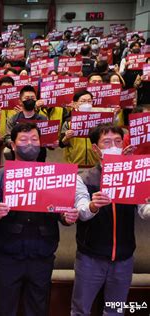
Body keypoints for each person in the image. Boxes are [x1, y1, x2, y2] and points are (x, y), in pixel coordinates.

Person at [0, 122, 79, 316]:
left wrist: (68, 216)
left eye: (34, 139)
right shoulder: (0, 176)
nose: (30, 143)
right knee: (4, 308)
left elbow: (62, 214)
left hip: (42, 253)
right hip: (8, 255)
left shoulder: (54, 176)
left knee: (38, 308)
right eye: (24, 139)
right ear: (13, 144)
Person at [71, 123, 150, 315]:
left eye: (117, 142)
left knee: (115, 311)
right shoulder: (84, 179)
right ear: (96, 149)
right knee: (81, 310)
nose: (113, 146)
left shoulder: (133, 176)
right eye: (107, 142)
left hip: (124, 257)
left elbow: (144, 211)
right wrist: (93, 205)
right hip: (90, 257)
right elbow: (80, 212)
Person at [3, 85, 49, 162]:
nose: (30, 100)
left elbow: (48, 139)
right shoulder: (13, 119)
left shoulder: (43, 118)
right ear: (20, 102)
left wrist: (53, 143)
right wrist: (15, 142)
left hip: (39, 157)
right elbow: (7, 137)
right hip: (19, 156)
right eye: (27, 98)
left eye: (32, 98)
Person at [60, 90, 100, 166]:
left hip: (95, 164)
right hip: (74, 164)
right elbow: (61, 144)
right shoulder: (68, 121)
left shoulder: (99, 121)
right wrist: (66, 137)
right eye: (83, 101)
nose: (87, 104)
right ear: (75, 103)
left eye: (89, 101)